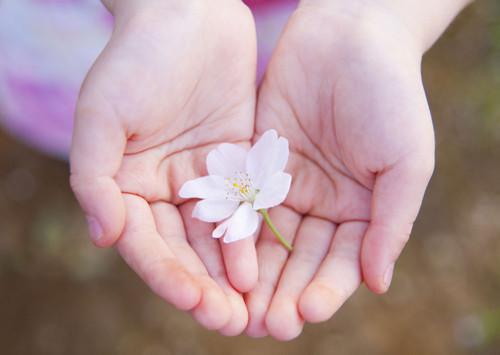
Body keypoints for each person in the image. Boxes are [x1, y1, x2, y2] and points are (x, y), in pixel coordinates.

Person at [1, 0, 473, 340]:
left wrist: (381, 17)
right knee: (110, 128)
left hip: (295, 27)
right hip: (77, 29)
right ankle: (75, 150)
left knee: (126, 133)